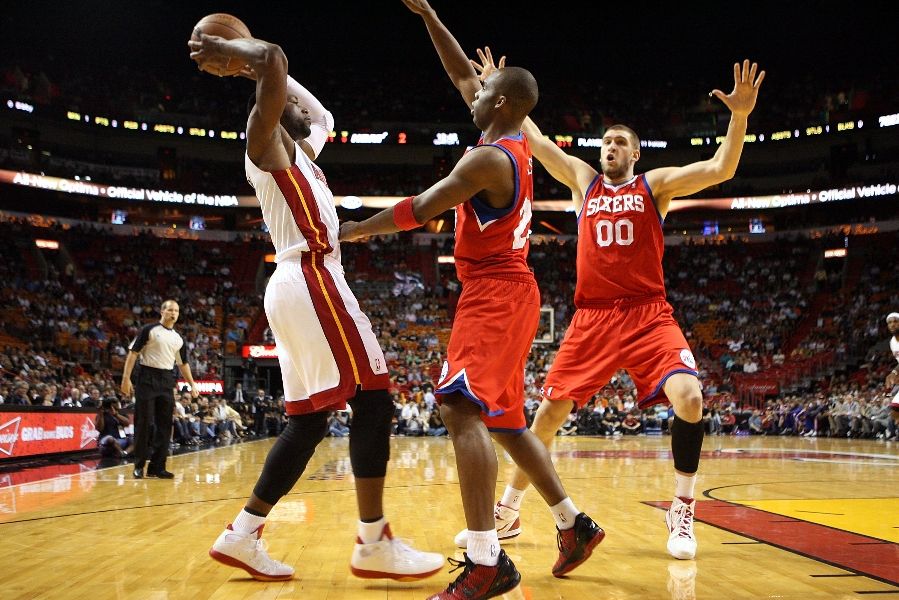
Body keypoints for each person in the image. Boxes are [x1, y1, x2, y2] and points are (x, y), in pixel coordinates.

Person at [341, 3, 603, 596]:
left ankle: (487, 560)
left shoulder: (488, 158)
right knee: (508, 424)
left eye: (484, 90)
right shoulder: (505, 139)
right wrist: (428, 15)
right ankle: (574, 524)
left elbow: (420, 209)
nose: (472, 91)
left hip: (495, 292)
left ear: (503, 105)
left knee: (459, 409)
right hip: (510, 289)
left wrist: (354, 230)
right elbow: (462, 73)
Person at [468, 46, 765, 560]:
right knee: (545, 417)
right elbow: (534, 141)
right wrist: (506, 89)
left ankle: (682, 507)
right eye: (606, 141)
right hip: (593, 317)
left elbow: (721, 167)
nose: (610, 147)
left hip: (649, 313)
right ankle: (511, 509)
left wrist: (738, 117)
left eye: (620, 142)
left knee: (691, 400)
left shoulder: (657, 186)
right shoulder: (584, 181)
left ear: (635, 154)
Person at [188, 28, 443, 583]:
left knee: (306, 423)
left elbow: (322, 116)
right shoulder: (264, 141)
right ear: (274, 110)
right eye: (288, 104)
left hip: (299, 283)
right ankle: (373, 542)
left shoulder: (303, 154)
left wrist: (260, 71)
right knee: (374, 398)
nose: (304, 113)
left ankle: (242, 534)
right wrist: (246, 59)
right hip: (310, 278)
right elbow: (276, 60)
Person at [120, 299, 199, 479]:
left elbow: (183, 364)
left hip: (166, 380)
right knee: (144, 423)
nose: (173, 313)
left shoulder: (178, 339)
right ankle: (139, 465)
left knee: (165, 426)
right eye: (170, 310)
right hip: (147, 377)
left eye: (176, 311)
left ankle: (157, 467)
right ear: (162, 312)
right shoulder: (149, 330)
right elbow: (133, 353)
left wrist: (193, 384)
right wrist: (126, 378)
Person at [886, 312, 899, 424]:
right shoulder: (892, 342)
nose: (892, 324)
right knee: (895, 411)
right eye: (889, 322)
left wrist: (894, 372)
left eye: (895, 321)